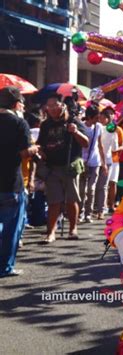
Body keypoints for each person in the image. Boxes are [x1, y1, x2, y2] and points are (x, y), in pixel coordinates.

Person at [37, 93, 89, 242]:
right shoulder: (46, 124)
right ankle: (51, 232)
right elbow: (40, 142)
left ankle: (73, 229)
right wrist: (39, 150)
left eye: (55, 105)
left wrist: (75, 132)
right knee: (54, 200)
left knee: (71, 200)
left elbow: (85, 143)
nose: (51, 109)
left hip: (70, 165)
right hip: (52, 167)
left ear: (63, 105)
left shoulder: (73, 121)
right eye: (49, 106)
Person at [0, 87, 38, 277]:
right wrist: (34, 149)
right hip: (11, 183)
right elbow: (24, 153)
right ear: (16, 104)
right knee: (11, 229)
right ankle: (5, 267)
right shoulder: (19, 123)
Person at [79, 104, 107, 223]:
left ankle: (88, 213)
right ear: (89, 117)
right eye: (96, 117)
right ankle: (79, 212)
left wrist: (103, 163)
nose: (98, 119)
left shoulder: (99, 127)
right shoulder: (81, 127)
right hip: (81, 161)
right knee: (81, 189)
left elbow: (100, 145)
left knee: (91, 189)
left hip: (94, 161)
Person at [94, 106, 118, 219]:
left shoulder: (97, 128)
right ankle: (100, 210)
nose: (101, 120)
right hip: (106, 159)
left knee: (96, 186)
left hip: (97, 159)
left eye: (103, 118)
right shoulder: (112, 130)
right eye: (100, 117)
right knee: (102, 186)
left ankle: (98, 209)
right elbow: (115, 148)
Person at [106, 108, 123, 213]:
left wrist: (117, 149)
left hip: (114, 160)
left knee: (113, 183)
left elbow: (122, 145)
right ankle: (102, 206)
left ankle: (111, 205)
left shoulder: (118, 130)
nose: (110, 116)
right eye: (107, 114)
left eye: (112, 114)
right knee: (104, 185)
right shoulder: (101, 128)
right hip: (103, 159)